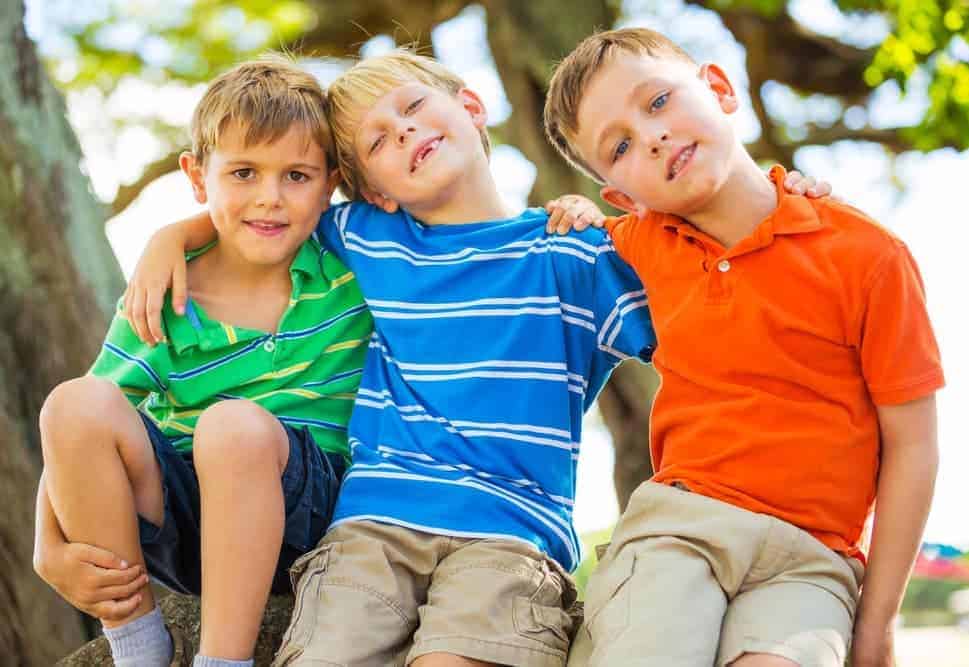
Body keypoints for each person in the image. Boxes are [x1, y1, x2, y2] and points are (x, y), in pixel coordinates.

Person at [128, 50, 829, 667]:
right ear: (372, 190)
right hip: (373, 523)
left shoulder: (578, 254)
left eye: (413, 107)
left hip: (510, 534)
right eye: (378, 140)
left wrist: (783, 202)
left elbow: (708, 292)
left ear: (470, 106)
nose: (403, 130)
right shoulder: (367, 238)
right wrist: (171, 234)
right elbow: (266, 209)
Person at [544, 27, 944, 667]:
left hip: (813, 558)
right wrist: (572, 211)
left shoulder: (870, 257)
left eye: (657, 102)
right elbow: (544, 247)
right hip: (678, 533)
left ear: (721, 89)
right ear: (623, 198)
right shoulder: (636, 246)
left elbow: (914, 446)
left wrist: (880, 622)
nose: (651, 136)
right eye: (620, 146)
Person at [33, 57, 373, 667]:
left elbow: (447, 217)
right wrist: (47, 545)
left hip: (313, 516)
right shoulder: (164, 298)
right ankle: (137, 646)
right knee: (74, 402)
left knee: (231, 425)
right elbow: (75, 431)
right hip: (192, 527)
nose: (269, 198)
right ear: (197, 176)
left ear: (330, 184)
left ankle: (223, 660)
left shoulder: (351, 260)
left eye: (296, 175)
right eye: (243, 172)